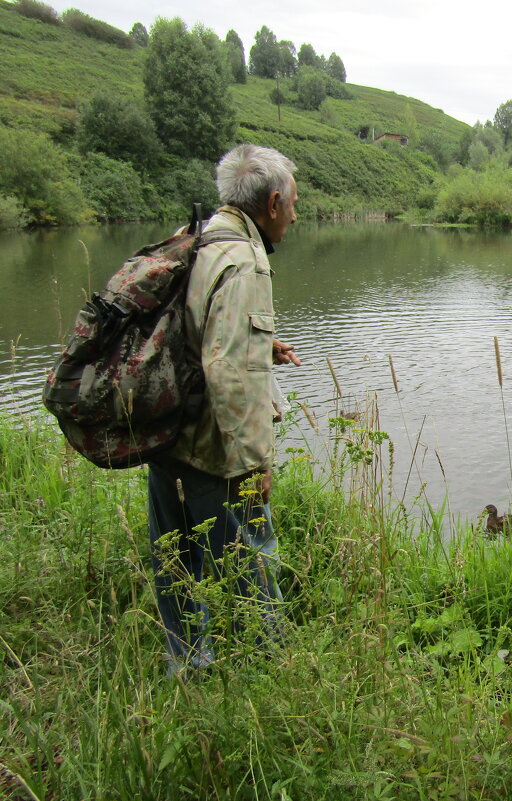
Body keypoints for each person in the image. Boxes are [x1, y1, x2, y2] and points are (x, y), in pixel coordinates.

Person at [147, 143, 301, 677]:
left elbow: (197, 326)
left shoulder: (198, 236)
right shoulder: (244, 262)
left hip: (166, 432)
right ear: (273, 202)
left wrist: (264, 344)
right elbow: (229, 373)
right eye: (294, 204)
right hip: (211, 446)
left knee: (174, 557)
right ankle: (266, 671)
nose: (295, 216)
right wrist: (254, 464)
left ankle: (187, 664)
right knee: (250, 557)